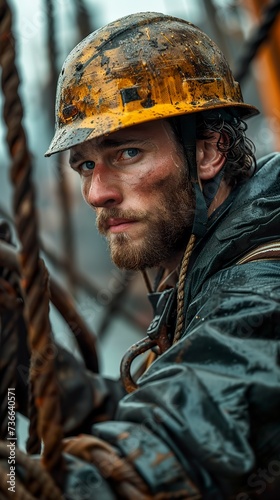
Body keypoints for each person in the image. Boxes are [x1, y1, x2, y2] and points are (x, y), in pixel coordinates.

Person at [44, 11, 280, 499]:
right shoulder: (206, 259)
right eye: (85, 164)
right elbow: (171, 400)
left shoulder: (262, 284)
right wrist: (34, 372)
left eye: (127, 153)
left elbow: (189, 431)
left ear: (209, 151)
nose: (96, 192)